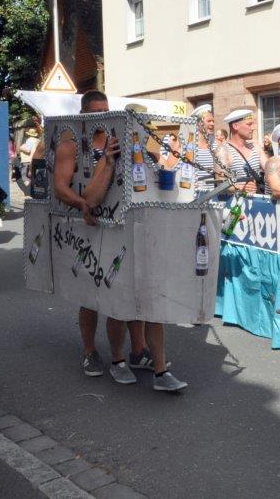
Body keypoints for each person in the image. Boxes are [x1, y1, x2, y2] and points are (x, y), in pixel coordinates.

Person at [55, 90, 185, 391]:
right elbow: (61, 187)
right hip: (89, 225)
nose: (104, 116)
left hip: (125, 225)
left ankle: (138, 351)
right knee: (91, 295)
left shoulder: (123, 139)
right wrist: (81, 205)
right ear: (85, 113)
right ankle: (90, 351)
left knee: (133, 293)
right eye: (97, 111)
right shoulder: (71, 144)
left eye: (107, 110)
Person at [220, 109, 268, 194]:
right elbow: (220, 183)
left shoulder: (256, 147)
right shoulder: (223, 150)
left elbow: (269, 170)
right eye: (249, 124)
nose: (253, 128)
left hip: (257, 201)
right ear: (235, 126)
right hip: (234, 204)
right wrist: (241, 188)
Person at [190, 104, 222, 192]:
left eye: (213, 121)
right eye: (209, 121)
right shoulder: (189, 141)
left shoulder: (216, 143)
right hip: (191, 192)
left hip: (211, 193)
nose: (212, 124)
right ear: (199, 122)